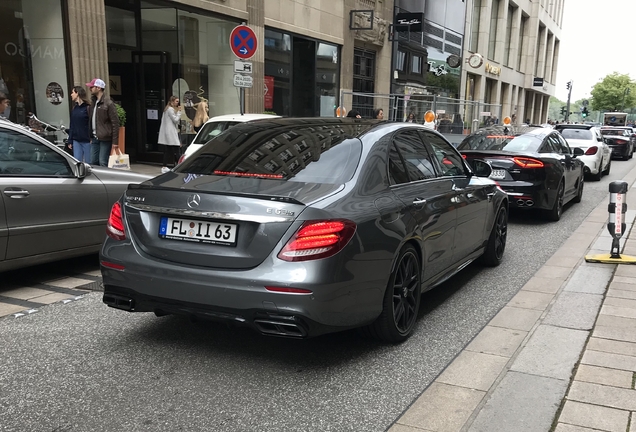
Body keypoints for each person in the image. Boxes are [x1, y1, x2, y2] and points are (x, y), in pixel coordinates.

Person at [86, 78, 119, 166]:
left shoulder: (108, 103)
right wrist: (90, 136)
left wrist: (115, 142)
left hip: (105, 137)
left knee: (103, 162)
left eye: (92, 87)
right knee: (93, 162)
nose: (90, 89)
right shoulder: (93, 102)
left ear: (98, 88)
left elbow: (115, 123)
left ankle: (103, 179)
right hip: (94, 137)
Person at [68, 86, 92, 162]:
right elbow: (72, 125)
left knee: (89, 163)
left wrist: (91, 137)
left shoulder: (88, 108)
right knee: (77, 163)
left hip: (87, 140)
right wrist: (70, 140)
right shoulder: (74, 108)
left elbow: (91, 123)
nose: (71, 94)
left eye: (72, 92)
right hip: (76, 140)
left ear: (77, 93)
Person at [158, 95, 182, 173]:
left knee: (167, 150)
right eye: (176, 101)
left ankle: (164, 166)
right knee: (177, 149)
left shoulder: (166, 109)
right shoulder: (170, 109)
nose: (177, 103)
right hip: (171, 132)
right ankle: (181, 166)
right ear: (172, 102)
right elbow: (175, 120)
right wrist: (179, 112)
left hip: (167, 132)